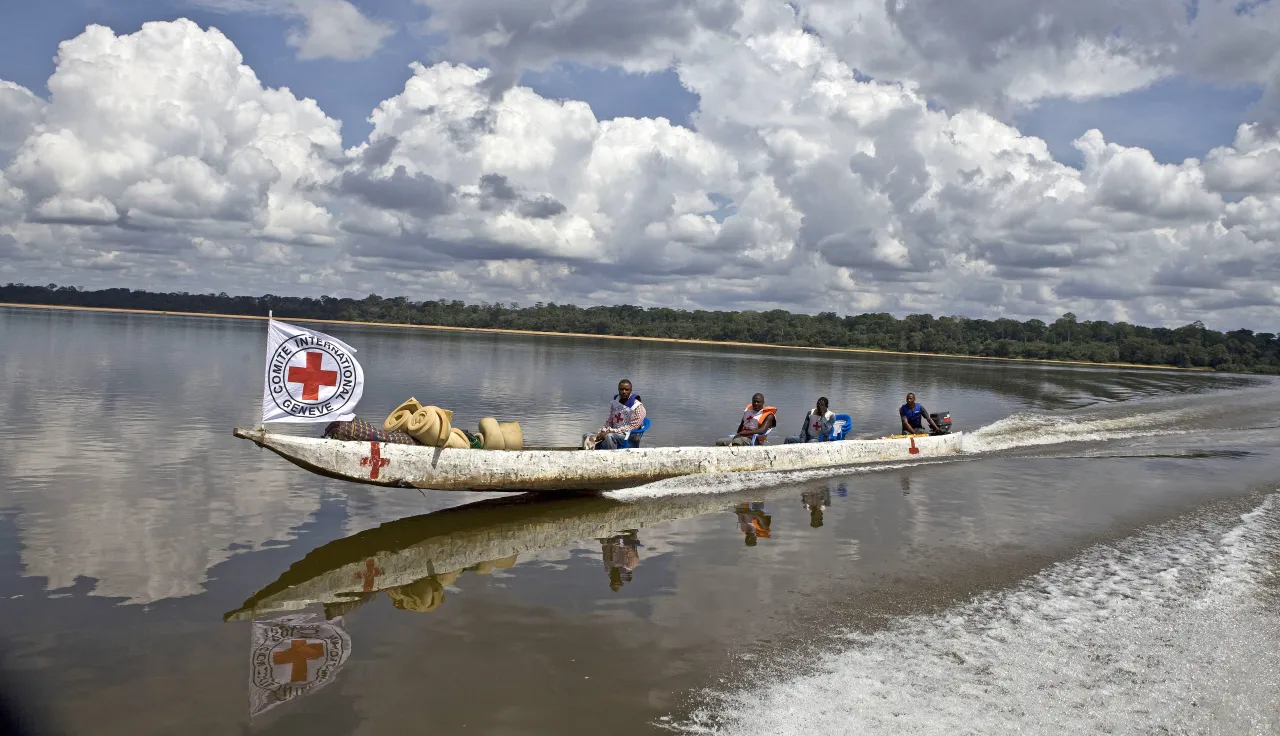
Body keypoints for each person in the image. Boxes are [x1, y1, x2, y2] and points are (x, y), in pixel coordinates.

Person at [583, 379, 647, 450]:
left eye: (627, 389)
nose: (624, 392)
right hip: (613, 432)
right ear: (618, 390)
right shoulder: (616, 401)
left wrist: (610, 432)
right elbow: (610, 419)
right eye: (621, 389)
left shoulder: (637, 406)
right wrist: (603, 431)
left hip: (628, 437)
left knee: (609, 436)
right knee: (587, 435)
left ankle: (610, 457)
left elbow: (632, 427)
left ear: (631, 390)